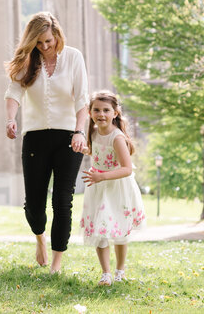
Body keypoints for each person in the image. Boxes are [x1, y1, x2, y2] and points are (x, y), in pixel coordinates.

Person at [4, 11, 89, 274]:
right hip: (36, 137)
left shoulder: (73, 57)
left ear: (57, 36)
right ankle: (39, 236)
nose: (44, 47)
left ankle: (56, 263)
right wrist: (10, 119)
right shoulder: (28, 59)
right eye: (39, 43)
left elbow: (82, 100)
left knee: (63, 201)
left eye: (48, 41)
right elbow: (13, 92)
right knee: (35, 204)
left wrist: (79, 132)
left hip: (68, 137)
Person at [79, 90, 146, 286]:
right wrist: (84, 149)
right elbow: (96, 151)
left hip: (117, 187)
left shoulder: (117, 138)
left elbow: (126, 168)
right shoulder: (92, 133)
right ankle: (105, 273)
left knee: (119, 231)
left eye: (106, 110)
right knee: (99, 230)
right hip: (98, 187)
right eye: (96, 110)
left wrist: (103, 176)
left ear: (115, 113)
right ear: (90, 112)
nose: (101, 114)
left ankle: (120, 270)